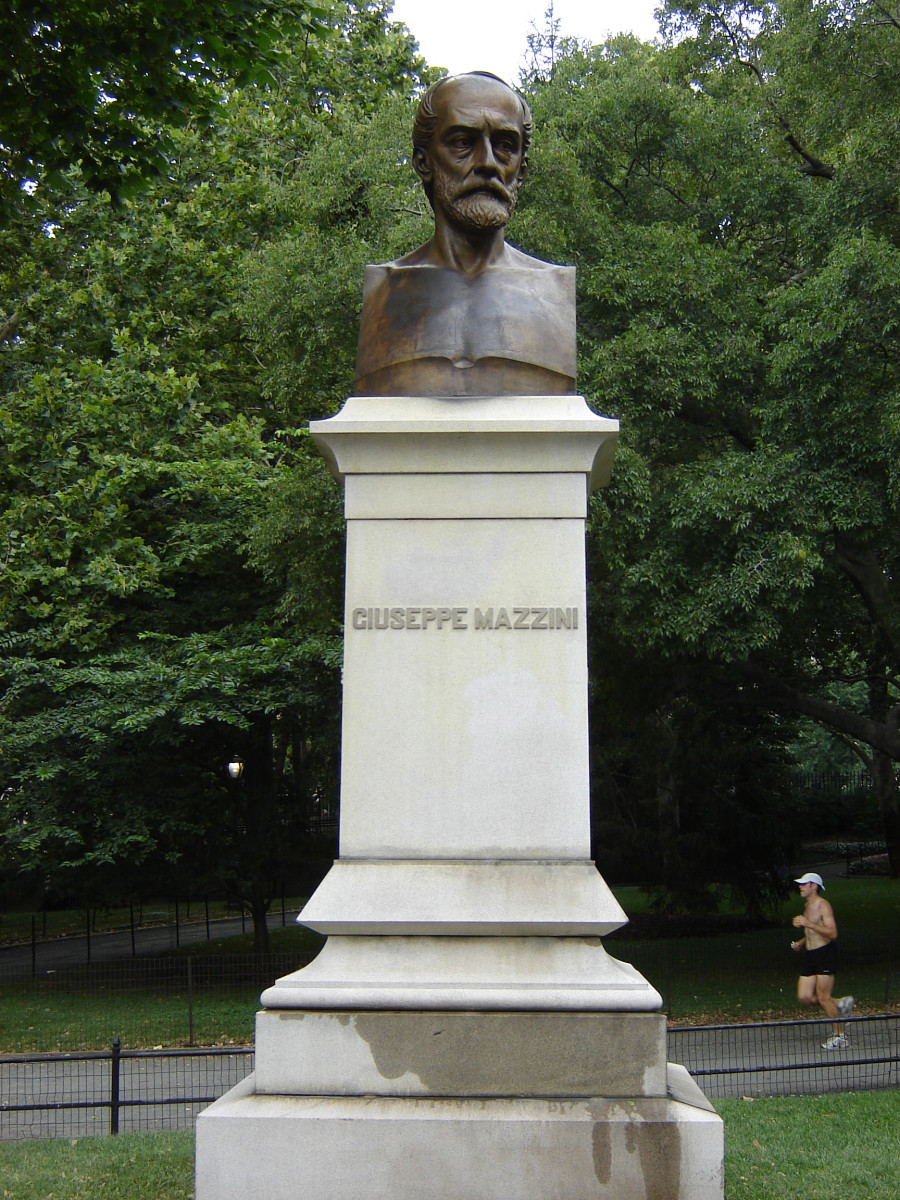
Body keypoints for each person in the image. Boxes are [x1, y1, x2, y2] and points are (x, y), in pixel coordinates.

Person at [354, 72, 576, 397]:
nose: (487, 163)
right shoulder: (383, 291)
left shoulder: (555, 290)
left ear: (521, 171)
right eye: (463, 143)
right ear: (423, 163)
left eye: (504, 146)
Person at [791, 871, 854, 1049]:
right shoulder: (807, 905)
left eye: (804, 884)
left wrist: (807, 923)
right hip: (811, 955)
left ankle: (840, 1036)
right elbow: (812, 931)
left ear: (814, 886)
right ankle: (841, 1003)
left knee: (823, 997)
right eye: (800, 884)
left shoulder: (823, 905)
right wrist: (801, 942)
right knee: (804, 996)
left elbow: (832, 933)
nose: (800, 887)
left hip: (826, 954)